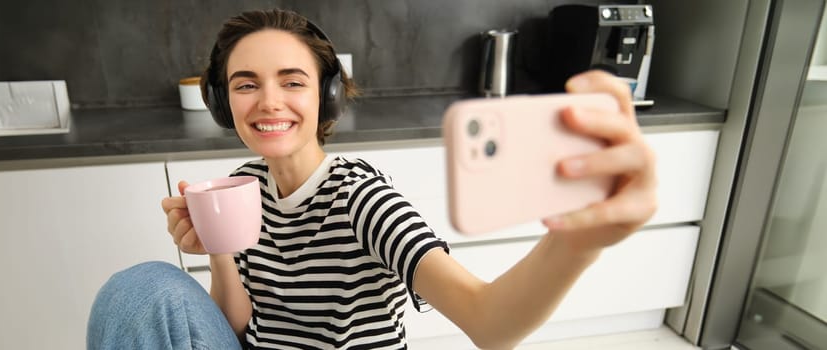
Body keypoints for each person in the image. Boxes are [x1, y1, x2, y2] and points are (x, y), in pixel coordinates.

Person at [87, 8, 657, 350]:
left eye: (292, 81)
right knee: (141, 286)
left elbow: (491, 322)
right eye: (245, 84)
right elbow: (237, 325)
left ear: (327, 95)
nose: (268, 101)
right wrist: (218, 252)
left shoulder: (362, 198)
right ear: (221, 100)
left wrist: (576, 244)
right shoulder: (243, 185)